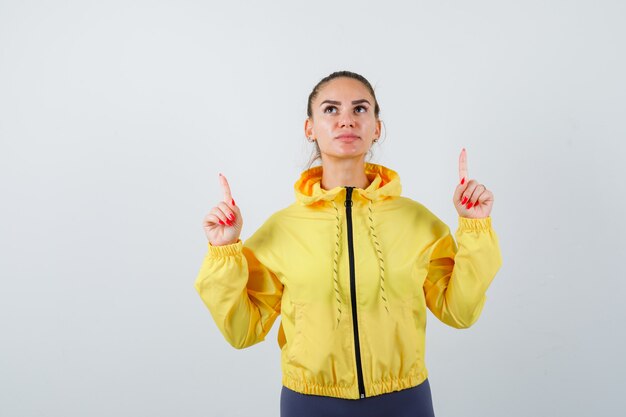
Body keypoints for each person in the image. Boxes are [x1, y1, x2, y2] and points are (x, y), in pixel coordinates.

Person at [194, 71, 502, 417]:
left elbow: (460, 312)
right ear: (309, 128)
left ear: (377, 127)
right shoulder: (281, 229)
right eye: (330, 110)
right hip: (310, 403)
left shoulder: (418, 223)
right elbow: (242, 331)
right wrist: (224, 250)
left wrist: (474, 227)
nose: (346, 121)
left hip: (404, 400)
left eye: (359, 109)